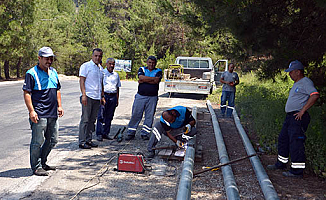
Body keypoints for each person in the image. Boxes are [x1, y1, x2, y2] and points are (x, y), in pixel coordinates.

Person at [267, 60, 319, 178]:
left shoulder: (305, 82)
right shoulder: (297, 83)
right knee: (283, 139)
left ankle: (296, 171)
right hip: (290, 117)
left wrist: (303, 110)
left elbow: (315, 95)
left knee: (296, 142)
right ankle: (281, 163)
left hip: (298, 117)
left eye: (291, 72)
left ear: (298, 72)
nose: (289, 75)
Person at [23, 47, 64, 176]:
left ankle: (43, 162)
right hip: (39, 113)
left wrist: (60, 106)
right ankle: (36, 166)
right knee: (37, 141)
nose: (49, 61)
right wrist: (31, 111)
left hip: (52, 112)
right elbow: (27, 93)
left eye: (51, 58)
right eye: (46, 58)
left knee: (53, 139)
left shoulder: (53, 72)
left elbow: (57, 89)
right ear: (39, 58)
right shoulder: (31, 73)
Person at [125, 56, 162, 141]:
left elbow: (156, 81)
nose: (151, 64)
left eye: (153, 63)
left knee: (149, 116)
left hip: (152, 97)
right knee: (136, 114)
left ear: (155, 63)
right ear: (146, 62)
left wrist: (144, 80)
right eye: (149, 62)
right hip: (141, 96)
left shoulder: (158, 71)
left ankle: (145, 134)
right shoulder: (142, 69)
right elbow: (141, 78)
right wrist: (151, 80)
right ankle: (131, 132)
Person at [78, 48, 105, 149]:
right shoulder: (86, 66)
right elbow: (82, 81)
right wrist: (84, 95)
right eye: (96, 56)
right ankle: (82, 141)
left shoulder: (100, 69)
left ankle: (88, 140)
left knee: (92, 120)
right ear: (92, 56)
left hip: (96, 98)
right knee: (85, 119)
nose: (97, 58)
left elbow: (101, 83)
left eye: (99, 56)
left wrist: (102, 96)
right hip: (88, 96)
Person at [96, 58, 121, 141]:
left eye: (113, 64)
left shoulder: (116, 75)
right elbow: (99, 86)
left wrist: (117, 99)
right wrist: (101, 97)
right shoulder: (102, 73)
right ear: (106, 64)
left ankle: (106, 133)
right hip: (104, 96)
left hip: (113, 97)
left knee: (109, 116)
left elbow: (117, 87)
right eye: (110, 64)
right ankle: (99, 133)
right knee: (101, 116)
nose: (111, 65)